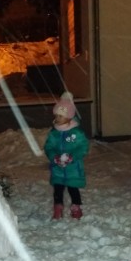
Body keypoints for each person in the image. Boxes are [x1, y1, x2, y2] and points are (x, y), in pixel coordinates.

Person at [43, 91, 89, 220]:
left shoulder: (76, 133)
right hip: (58, 168)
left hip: (73, 168)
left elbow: (83, 147)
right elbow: (49, 147)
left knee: (73, 189)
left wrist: (72, 157)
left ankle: (76, 207)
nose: (57, 118)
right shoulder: (54, 133)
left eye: (61, 116)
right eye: (57, 115)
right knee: (58, 190)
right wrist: (54, 157)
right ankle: (58, 207)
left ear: (69, 117)